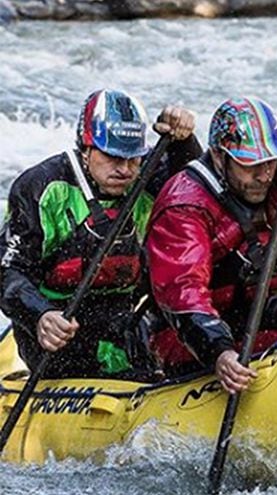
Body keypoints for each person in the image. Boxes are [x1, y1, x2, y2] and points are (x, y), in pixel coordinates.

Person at [145, 97, 277, 393]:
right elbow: (183, 292)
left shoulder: (272, 168)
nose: (264, 175)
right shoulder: (184, 206)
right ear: (218, 156)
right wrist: (220, 351)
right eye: (250, 165)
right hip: (185, 334)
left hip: (251, 310)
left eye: (269, 163)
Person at [0, 89, 199, 379]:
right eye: (112, 157)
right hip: (58, 323)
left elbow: (195, 186)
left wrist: (184, 141)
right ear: (86, 149)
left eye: (133, 159)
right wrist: (40, 315)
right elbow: (7, 269)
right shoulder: (41, 187)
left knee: (143, 363)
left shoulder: (145, 179)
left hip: (123, 317)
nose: (124, 170)